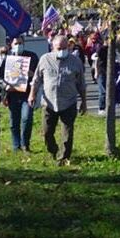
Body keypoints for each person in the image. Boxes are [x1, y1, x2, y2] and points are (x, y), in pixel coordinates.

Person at [28, 35, 88, 166]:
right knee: (47, 132)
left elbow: (81, 84)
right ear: (53, 47)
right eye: (59, 48)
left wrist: (84, 102)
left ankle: (64, 157)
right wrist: (32, 94)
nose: (62, 51)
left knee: (67, 132)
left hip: (68, 102)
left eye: (65, 48)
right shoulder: (45, 60)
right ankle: (53, 149)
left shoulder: (75, 61)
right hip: (49, 102)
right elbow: (36, 79)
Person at [0, 35, 39, 152]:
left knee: (26, 118)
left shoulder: (32, 57)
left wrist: (33, 74)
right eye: (16, 44)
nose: (18, 46)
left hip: (27, 93)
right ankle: (16, 146)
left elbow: (39, 74)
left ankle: (25, 144)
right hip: (12, 94)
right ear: (11, 45)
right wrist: (6, 86)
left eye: (20, 43)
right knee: (13, 121)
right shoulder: (7, 58)